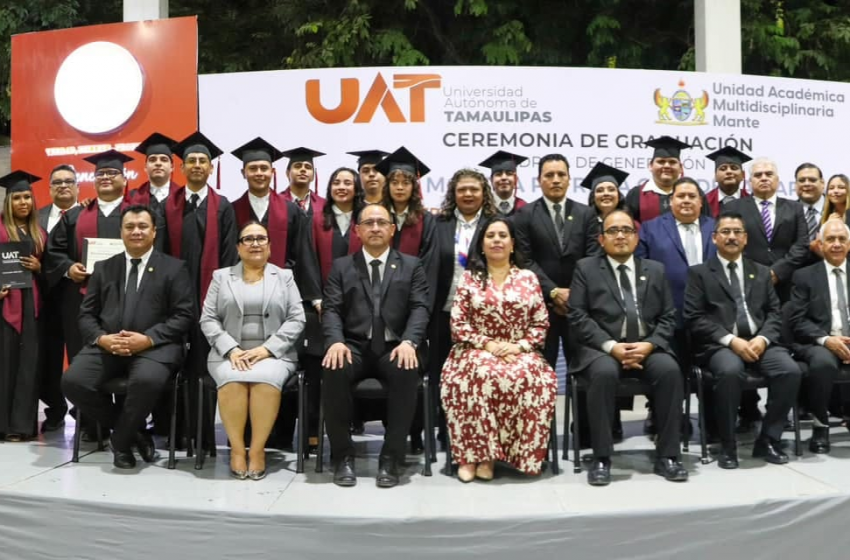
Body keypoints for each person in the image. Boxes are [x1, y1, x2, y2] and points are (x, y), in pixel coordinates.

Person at [61, 205, 194, 469]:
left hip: (155, 348)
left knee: (145, 381)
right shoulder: (103, 267)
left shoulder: (174, 268)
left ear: (154, 232)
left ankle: (121, 442)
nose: (136, 231)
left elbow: (184, 315)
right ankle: (135, 431)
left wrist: (148, 339)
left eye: (143, 226)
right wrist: (102, 339)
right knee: (73, 381)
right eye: (130, 227)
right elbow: (86, 315)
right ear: (121, 232)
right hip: (110, 345)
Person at [567, 209, 686, 486]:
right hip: (602, 350)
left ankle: (668, 455)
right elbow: (578, 316)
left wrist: (649, 345)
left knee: (670, 370)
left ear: (636, 238)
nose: (620, 236)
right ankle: (601, 458)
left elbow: (669, 316)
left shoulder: (655, 270)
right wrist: (611, 347)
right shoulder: (586, 269)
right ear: (601, 239)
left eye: (627, 230)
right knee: (604, 374)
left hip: (647, 347)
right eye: (612, 231)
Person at [322, 204, 430, 488]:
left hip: (395, 347)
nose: (375, 227)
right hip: (354, 346)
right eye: (368, 223)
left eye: (382, 222)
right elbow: (331, 309)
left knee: (408, 369)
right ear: (357, 230)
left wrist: (409, 341)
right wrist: (335, 342)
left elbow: (420, 307)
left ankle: (390, 458)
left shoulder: (411, 265)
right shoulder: (342, 266)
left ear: (392, 229)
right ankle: (343, 456)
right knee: (333, 368)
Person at [441, 217, 557, 481]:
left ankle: (517, 456)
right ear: (481, 245)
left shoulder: (528, 278)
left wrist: (518, 346)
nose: (496, 240)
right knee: (479, 373)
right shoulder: (469, 278)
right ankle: (476, 457)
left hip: (520, 350)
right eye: (490, 236)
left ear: (513, 244)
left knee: (533, 378)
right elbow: (458, 323)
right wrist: (489, 344)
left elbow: (540, 324)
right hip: (474, 349)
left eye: (502, 236)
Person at [684, 211, 801, 468]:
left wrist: (763, 339)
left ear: (746, 239)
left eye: (737, 232)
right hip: (720, 345)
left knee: (790, 370)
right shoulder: (699, 273)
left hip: (761, 342)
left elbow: (774, 312)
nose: (732, 237)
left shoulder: (761, 272)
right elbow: (694, 317)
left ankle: (769, 438)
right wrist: (731, 341)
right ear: (714, 238)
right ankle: (728, 443)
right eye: (725, 232)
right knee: (729, 371)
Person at [200, 221, 306, 480]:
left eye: (261, 238)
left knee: (264, 380)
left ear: (270, 246)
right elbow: (208, 319)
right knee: (233, 380)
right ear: (238, 247)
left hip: (274, 353)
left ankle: (257, 450)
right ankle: (237, 449)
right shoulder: (221, 276)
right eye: (248, 239)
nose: (255, 243)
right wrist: (231, 349)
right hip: (228, 352)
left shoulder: (285, 277)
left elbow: (297, 318)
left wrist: (267, 350)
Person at [164, 131, 239, 448]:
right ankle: (174, 433)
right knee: (173, 367)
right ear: (182, 169)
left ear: (211, 168)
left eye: (202, 161)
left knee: (205, 368)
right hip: (174, 302)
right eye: (191, 160)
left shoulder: (222, 207)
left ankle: (204, 437)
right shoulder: (167, 207)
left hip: (211, 304)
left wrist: (218, 302)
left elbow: (229, 258)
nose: (196, 165)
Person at [513, 153, 601, 370]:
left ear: (569, 179)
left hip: (579, 308)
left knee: (585, 371)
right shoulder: (524, 214)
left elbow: (592, 258)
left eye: (561, 174)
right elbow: (525, 260)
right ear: (539, 180)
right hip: (541, 307)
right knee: (542, 373)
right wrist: (553, 291)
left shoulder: (586, 214)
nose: (556, 180)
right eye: (549, 175)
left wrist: (574, 295)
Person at [376, 147, 438, 452]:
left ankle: (413, 434)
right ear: (386, 185)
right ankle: (389, 430)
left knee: (411, 370)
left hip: (413, 309)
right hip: (377, 309)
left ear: (415, 186)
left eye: (406, 181)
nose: (400, 186)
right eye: (395, 181)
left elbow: (427, 267)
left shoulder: (426, 221)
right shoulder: (375, 218)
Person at [431, 169, 498, 446]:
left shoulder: (496, 224)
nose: (468, 194)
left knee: (476, 377)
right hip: (443, 312)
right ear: (453, 194)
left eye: (474, 189)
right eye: (462, 190)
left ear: (484, 192)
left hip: (483, 316)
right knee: (444, 375)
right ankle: (447, 430)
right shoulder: (439, 223)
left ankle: (480, 432)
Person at [789, 219, 850, 454]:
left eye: (841, 239)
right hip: (819, 342)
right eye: (830, 240)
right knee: (823, 363)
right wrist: (827, 340)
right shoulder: (804, 276)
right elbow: (797, 320)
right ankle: (820, 425)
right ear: (821, 245)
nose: (836, 244)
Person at [0, 171, 47, 441]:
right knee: (4, 363)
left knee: (27, 364)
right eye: (17, 197)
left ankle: (20, 426)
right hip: (4, 302)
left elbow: (49, 269)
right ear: (9, 201)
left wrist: (40, 267)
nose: (23, 202)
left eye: (27, 197)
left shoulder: (38, 232)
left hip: (31, 302)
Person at [726, 157, 810, 303]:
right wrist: (757, 273)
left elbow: (801, 244)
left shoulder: (794, 208)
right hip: (747, 283)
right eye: (758, 175)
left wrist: (777, 271)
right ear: (749, 181)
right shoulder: (734, 208)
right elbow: (730, 243)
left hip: (787, 285)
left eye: (769, 174)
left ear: (777, 180)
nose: (764, 178)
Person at [36, 164, 79, 432]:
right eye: (57, 182)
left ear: (77, 186)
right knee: (47, 357)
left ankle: (82, 408)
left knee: (78, 356)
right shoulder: (36, 217)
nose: (63, 185)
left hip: (77, 297)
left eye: (68, 181)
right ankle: (54, 408)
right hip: (44, 298)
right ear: (50, 188)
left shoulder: (88, 214)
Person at [229, 137, 307, 270]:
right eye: (253, 168)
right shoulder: (232, 210)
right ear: (243, 173)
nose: (259, 173)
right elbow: (229, 253)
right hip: (241, 283)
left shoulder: (292, 210)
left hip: (282, 283)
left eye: (264, 168)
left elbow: (299, 254)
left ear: (272, 172)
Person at [125, 132, 180, 252]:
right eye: (152, 159)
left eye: (164, 159)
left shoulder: (184, 198)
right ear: (145, 167)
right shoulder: (131, 198)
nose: (158, 163)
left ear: (172, 167)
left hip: (176, 265)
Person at [625, 136, 701, 222]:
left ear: (681, 168)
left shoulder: (694, 193)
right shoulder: (635, 194)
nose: (667, 166)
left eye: (672, 162)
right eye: (661, 162)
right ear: (650, 166)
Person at [704, 147, 751, 218]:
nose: (729, 171)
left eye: (734, 168)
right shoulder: (704, 202)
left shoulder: (752, 202)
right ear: (715, 176)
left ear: (743, 175)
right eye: (723, 168)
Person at [479, 150, 528, 217]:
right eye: (498, 174)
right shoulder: (481, 208)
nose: (504, 178)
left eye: (509, 174)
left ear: (516, 179)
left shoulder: (525, 208)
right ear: (491, 180)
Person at [280, 147, 326, 216]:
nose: (303, 170)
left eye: (308, 167)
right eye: (297, 166)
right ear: (287, 173)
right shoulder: (276, 202)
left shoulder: (324, 205)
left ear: (313, 176)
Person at [795, 162, 825, 243]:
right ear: (795, 185)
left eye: (812, 180)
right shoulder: (786, 212)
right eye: (801, 180)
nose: (807, 184)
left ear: (822, 183)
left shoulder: (839, 209)